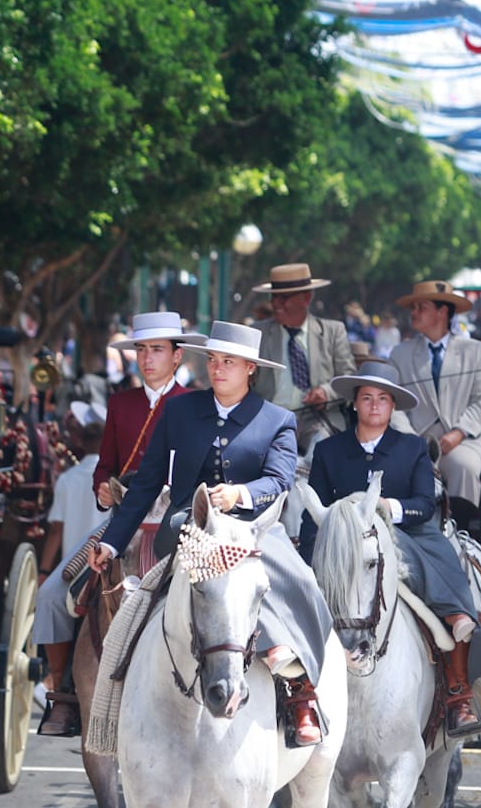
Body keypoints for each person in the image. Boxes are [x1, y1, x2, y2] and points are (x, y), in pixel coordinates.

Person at [87, 322, 330, 747]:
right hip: (189, 528)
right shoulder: (179, 412)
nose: (218, 369)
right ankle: (117, 682)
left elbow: (278, 480)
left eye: (229, 362)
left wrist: (240, 493)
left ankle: (299, 690)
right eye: (214, 360)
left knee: (301, 580)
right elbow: (145, 484)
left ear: (250, 368)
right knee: (135, 602)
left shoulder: (278, 420)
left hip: (254, 529)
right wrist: (110, 540)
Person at [301, 361, 481, 736]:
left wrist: (388, 508)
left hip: (408, 530)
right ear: (354, 404)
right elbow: (313, 513)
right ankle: (301, 694)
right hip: (343, 542)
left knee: (442, 554)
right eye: (367, 398)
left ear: (392, 407)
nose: (374, 405)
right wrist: (308, 560)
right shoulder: (329, 451)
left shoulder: (413, 447)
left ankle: (458, 689)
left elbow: (425, 502)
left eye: (382, 399)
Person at [390, 279, 481, 527]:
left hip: (463, 441)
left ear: (443, 311)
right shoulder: (400, 353)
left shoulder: (474, 350)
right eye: (413, 308)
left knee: (464, 467)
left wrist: (459, 432)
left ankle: (465, 541)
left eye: (421, 307)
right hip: (415, 442)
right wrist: (411, 440)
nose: (413, 313)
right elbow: (392, 403)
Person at [33, 402, 105, 736]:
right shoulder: (114, 477)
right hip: (105, 561)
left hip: (72, 569)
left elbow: (57, 532)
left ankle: (59, 685)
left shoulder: (68, 479)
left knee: (49, 599)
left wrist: (45, 571)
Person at [93, 312, 202, 515]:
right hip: (126, 520)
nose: (147, 358)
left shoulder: (196, 404)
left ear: (176, 356)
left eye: (157, 349)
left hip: (176, 521)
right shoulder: (119, 403)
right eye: (141, 349)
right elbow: (105, 467)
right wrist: (103, 490)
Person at [251, 263, 355, 453]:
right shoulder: (257, 333)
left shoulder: (333, 331)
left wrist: (325, 393)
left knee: (321, 450)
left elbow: (348, 379)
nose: (275, 304)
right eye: (273, 297)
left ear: (306, 298)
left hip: (319, 419)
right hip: (269, 419)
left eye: (283, 298)